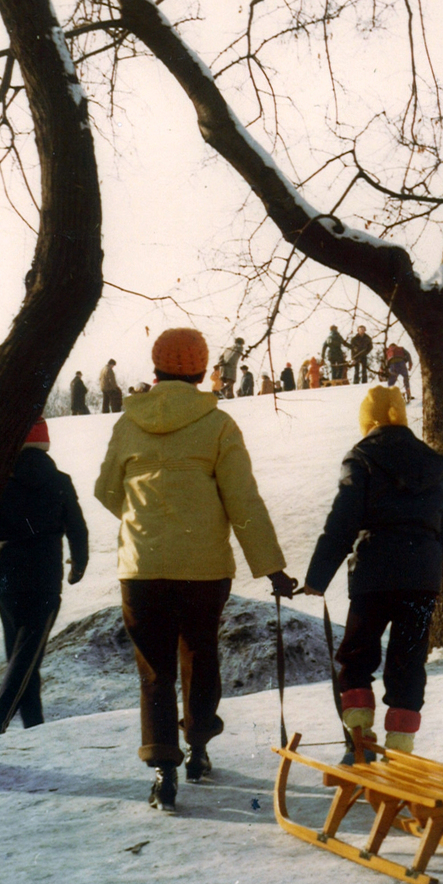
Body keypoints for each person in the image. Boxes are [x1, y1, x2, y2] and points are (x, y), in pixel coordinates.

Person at [95, 327, 296, 812]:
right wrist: (272, 569)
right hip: (204, 570)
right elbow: (243, 502)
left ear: (156, 367)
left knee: (154, 669)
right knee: (200, 655)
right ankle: (199, 747)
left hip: (141, 570)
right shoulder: (218, 425)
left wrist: (143, 522)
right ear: (203, 370)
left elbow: (106, 490)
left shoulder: (127, 424)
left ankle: (163, 768)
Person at [298, 386, 443, 758]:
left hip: (375, 576)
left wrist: (317, 578)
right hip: (420, 582)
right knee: (408, 661)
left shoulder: (362, 456)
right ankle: (400, 752)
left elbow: (342, 521)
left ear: (367, 421)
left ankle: (359, 741)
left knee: (356, 656)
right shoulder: (433, 464)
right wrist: (425, 566)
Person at [0, 418, 88, 738]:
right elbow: (77, 528)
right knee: (27, 655)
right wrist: (78, 564)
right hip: (45, 573)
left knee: (20, 653)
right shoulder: (60, 481)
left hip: (6, 575)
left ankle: (34, 728)